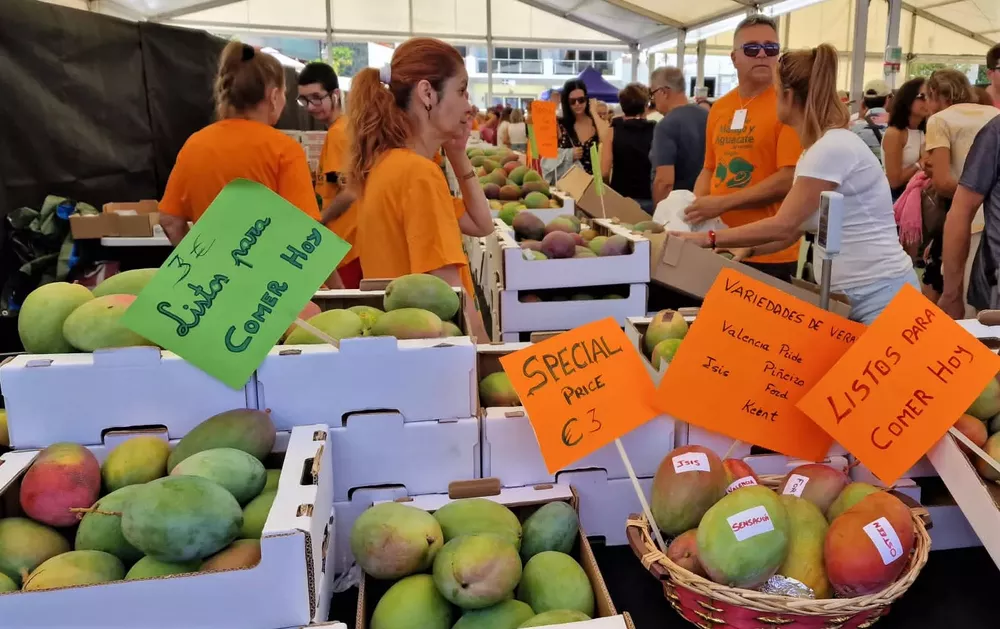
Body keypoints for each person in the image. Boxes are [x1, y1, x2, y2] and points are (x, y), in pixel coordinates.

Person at [673, 44, 917, 324]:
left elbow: (783, 224)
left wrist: (707, 239)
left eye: (775, 92)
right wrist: (749, 249)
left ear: (787, 96)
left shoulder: (830, 148)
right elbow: (794, 230)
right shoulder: (816, 150)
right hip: (858, 294)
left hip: (880, 294)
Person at [347, 37, 494, 341]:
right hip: (431, 350)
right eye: (462, 90)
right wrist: (485, 352)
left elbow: (482, 225)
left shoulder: (390, 163)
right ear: (427, 93)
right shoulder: (418, 175)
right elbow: (450, 292)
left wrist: (457, 153)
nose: (469, 106)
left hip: (402, 344)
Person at [159, 42, 320, 246]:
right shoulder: (283, 149)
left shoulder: (195, 144)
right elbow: (305, 232)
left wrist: (197, 260)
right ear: (273, 96)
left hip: (210, 274)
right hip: (266, 274)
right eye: (284, 94)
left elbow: (170, 221)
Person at [684, 14, 803, 282]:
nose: (762, 54)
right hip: (716, 244)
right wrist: (696, 208)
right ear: (734, 58)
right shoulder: (720, 108)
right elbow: (709, 168)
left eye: (771, 48)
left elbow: (789, 178)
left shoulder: (788, 105)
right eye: (751, 48)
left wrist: (720, 204)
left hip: (767, 252)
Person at [921, 68, 999, 303]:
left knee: (963, 308)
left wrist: (977, 191)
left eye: (926, 96)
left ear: (935, 93)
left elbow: (943, 181)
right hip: (992, 223)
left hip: (966, 223)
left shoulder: (939, 120)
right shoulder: (992, 114)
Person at [297, 62, 359, 289]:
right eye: (304, 100)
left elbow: (351, 190)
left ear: (335, 95)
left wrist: (319, 220)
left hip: (346, 244)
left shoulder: (338, 134)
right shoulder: (343, 129)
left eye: (316, 97)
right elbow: (339, 180)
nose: (311, 106)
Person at [939, 116, 1000, 317]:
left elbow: (962, 211)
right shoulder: (996, 132)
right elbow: (962, 212)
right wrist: (952, 294)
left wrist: (951, 294)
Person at [648, 67, 708, 205]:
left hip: (679, 209)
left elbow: (665, 182)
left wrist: (660, 215)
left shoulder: (666, 125)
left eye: (652, 94)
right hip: (707, 205)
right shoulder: (708, 116)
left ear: (664, 92)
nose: (653, 100)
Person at [599, 83, 656, 212]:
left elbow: (605, 171)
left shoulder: (613, 130)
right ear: (645, 105)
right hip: (648, 196)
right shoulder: (655, 129)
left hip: (620, 196)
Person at [882, 77, 927, 199]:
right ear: (908, 98)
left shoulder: (925, 131)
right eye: (922, 97)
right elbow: (894, 181)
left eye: (931, 96)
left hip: (919, 196)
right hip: (897, 198)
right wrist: (921, 163)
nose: (928, 101)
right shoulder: (895, 133)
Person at [557, 79, 607, 175]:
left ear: (586, 99)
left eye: (581, 100)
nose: (577, 104)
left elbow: (606, 139)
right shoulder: (560, 125)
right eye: (572, 101)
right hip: (568, 183)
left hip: (593, 184)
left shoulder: (596, 122)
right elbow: (548, 158)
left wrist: (594, 112)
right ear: (566, 102)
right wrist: (569, 154)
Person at [850, 79, 891, 164]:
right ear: (887, 99)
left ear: (864, 100)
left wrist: (859, 119)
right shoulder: (899, 123)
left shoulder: (852, 125)